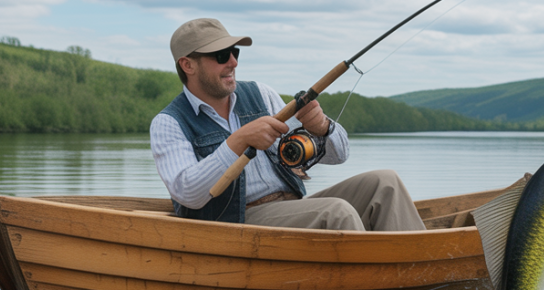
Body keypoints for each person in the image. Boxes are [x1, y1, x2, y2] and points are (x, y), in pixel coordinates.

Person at [150, 18, 426, 231]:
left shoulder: (261, 93)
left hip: (294, 208)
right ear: (188, 65)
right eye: (221, 56)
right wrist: (238, 141)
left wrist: (323, 128)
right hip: (236, 224)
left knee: (385, 182)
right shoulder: (168, 123)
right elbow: (188, 194)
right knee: (336, 212)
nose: (233, 62)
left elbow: (340, 155)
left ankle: (422, 274)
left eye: (234, 52)